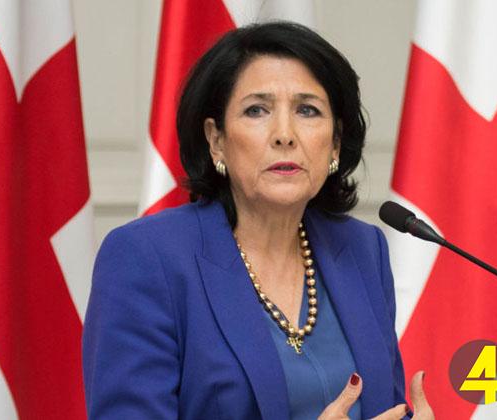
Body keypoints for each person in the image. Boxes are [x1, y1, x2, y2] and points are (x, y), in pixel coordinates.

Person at [83, 22, 434, 420]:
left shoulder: (362, 249)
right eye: (257, 110)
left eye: (307, 110)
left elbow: (385, 405)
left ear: (335, 143)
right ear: (216, 140)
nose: (284, 134)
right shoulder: (146, 258)